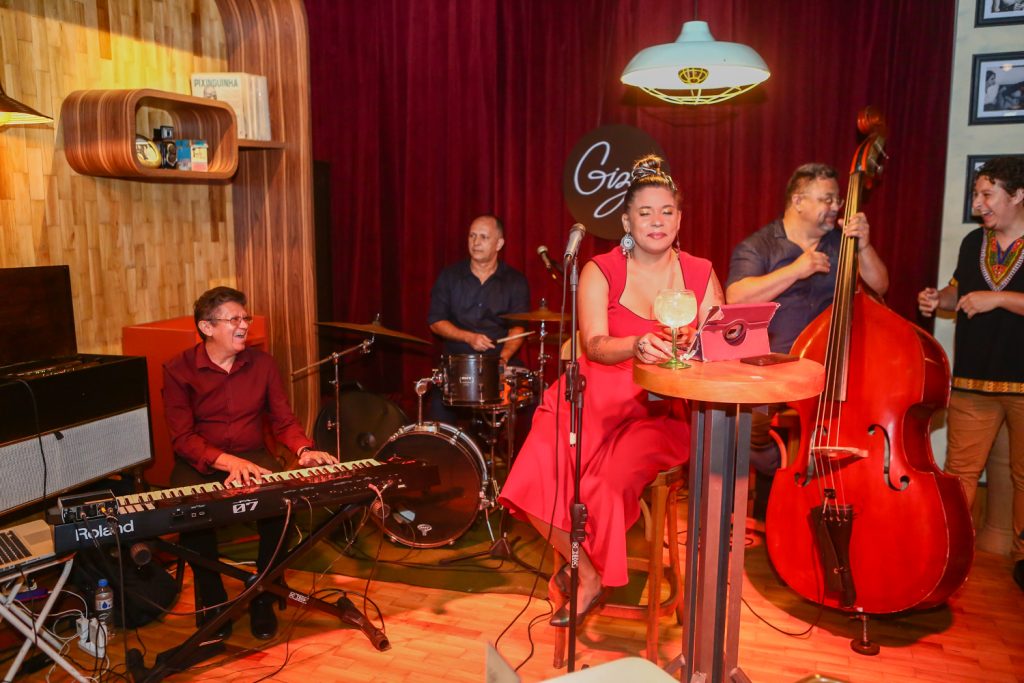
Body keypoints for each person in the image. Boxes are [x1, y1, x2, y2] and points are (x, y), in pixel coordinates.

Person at [499, 155, 723, 625]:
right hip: (592, 396)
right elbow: (595, 345)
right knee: (531, 474)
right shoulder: (600, 270)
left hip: (657, 407)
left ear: (679, 220)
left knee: (606, 484)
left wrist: (697, 347)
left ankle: (592, 570)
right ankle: (587, 575)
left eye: (666, 211)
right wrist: (636, 345)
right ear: (626, 221)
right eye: (645, 212)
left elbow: (719, 345)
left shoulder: (701, 272)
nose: (657, 221)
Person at [163, 286, 337, 639]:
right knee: (191, 512)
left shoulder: (263, 364)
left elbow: (283, 421)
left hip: (253, 455)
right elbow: (182, 438)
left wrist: (304, 450)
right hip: (200, 460)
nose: (244, 325)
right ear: (207, 327)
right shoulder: (178, 369)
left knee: (282, 505)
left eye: (246, 318)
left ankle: (263, 594)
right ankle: (213, 603)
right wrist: (227, 462)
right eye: (234, 319)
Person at [726, 163, 889, 517]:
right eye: (827, 199)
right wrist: (795, 270)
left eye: (837, 199)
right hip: (772, 371)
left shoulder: (843, 243)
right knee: (741, 429)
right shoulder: (760, 245)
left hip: (831, 371)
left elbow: (880, 285)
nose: (836, 207)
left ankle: (827, 492)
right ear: (798, 201)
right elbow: (736, 297)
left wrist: (864, 247)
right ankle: (784, 472)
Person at [917, 156, 1024, 592]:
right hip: (971, 380)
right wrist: (937, 299)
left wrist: (999, 299)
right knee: (959, 471)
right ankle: (948, 553)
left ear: (1018, 195)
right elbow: (959, 292)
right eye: (976, 194)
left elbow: (987, 297)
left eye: (987, 194)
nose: (978, 204)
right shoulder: (972, 241)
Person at [427, 215, 531, 423]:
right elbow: (436, 322)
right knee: (437, 414)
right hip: (457, 363)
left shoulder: (515, 281)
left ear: (499, 244)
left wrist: (503, 359)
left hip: (498, 360)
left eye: (484, 237)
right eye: (472, 236)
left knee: (532, 402)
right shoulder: (450, 276)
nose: (476, 242)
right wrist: (468, 337)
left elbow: (517, 328)